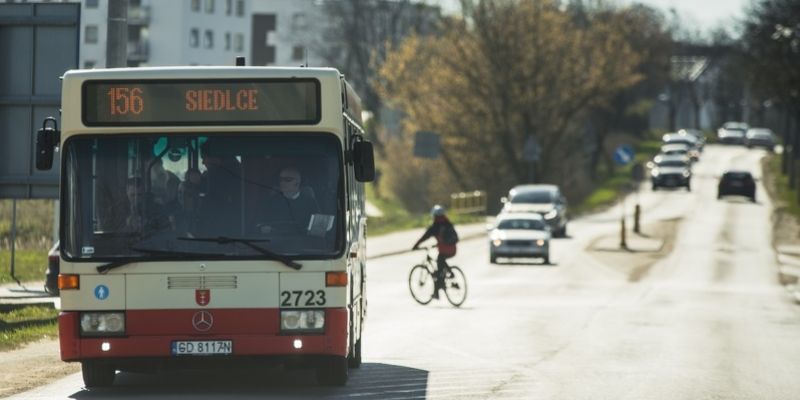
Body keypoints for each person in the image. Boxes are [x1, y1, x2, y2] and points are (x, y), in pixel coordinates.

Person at [412, 205, 459, 299]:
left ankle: (436, 293)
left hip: (444, 250)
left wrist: (415, 246)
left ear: (434, 215)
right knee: (440, 264)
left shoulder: (435, 227)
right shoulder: (448, 223)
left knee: (438, 271)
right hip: (453, 250)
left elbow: (424, 237)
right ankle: (449, 273)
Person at [258, 166, 320, 235]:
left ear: (297, 183)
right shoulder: (271, 202)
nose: (282, 182)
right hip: (277, 242)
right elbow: (260, 224)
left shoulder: (310, 203)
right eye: (280, 179)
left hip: (302, 242)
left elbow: (318, 229)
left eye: (287, 179)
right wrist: (263, 228)